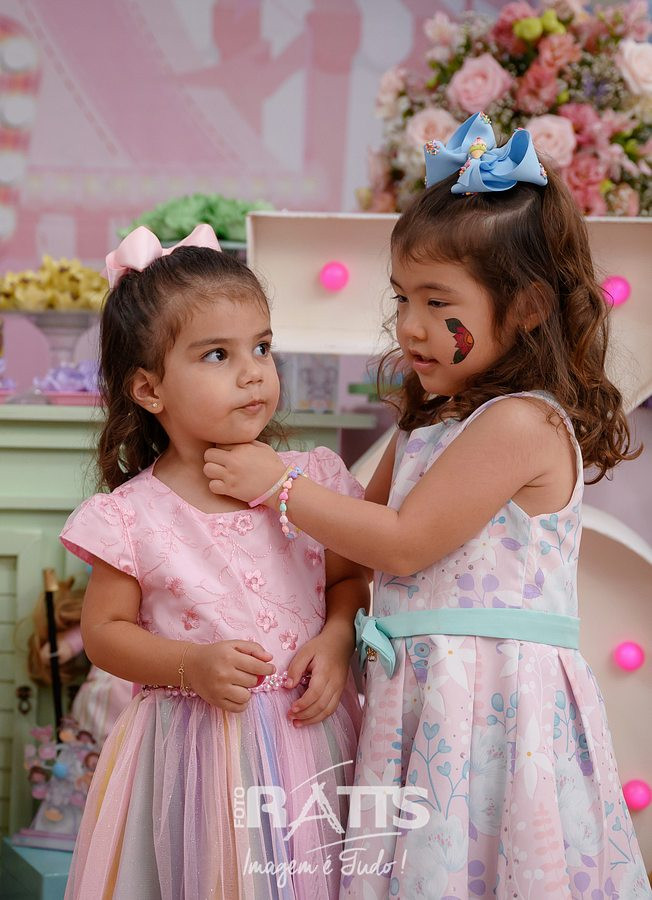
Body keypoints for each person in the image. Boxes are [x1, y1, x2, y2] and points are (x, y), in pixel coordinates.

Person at [203, 114, 650, 898]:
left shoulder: (521, 422)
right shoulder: (430, 422)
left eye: (438, 302)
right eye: (402, 296)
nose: (409, 325)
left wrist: (278, 485)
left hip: (492, 708)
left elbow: (404, 542)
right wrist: (336, 627)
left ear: (529, 307)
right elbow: (353, 542)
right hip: (423, 700)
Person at [59, 224, 367, 899]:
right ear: (149, 389)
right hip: (192, 758)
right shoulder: (131, 516)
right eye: (218, 355)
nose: (253, 371)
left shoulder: (307, 481)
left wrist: (338, 637)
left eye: (262, 347)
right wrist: (190, 666)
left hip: (310, 740)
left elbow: (349, 579)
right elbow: (105, 634)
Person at [27, 576, 132, 746]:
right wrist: (67, 645)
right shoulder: (114, 604)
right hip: (104, 691)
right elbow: (94, 628)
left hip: (143, 692)